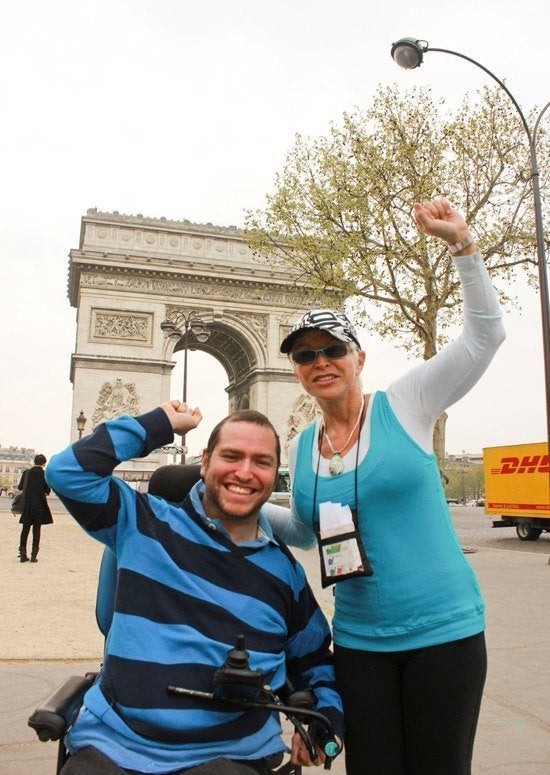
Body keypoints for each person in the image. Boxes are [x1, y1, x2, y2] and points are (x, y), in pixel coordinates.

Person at [270, 197, 506, 775]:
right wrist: (238, 503)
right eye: (305, 356)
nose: (320, 361)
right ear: (296, 370)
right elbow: (304, 531)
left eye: (333, 350)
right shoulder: (300, 447)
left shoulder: (406, 403)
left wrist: (462, 247)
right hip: (359, 642)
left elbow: (484, 337)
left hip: (443, 633)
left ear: (358, 357)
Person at [46, 403, 343, 774]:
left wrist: (326, 717)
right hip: (114, 745)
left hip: (229, 755)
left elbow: (316, 661)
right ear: (204, 463)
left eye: (261, 462)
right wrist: (159, 424)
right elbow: (66, 472)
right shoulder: (140, 521)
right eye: (231, 456)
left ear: (274, 475)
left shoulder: (286, 574)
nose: (245, 472)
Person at [18, 453, 53, 563]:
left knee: (25, 529)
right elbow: (48, 490)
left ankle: (23, 556)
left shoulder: (26, 473)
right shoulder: (44, 474)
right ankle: (33, 556)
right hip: (39, 506)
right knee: (36, 530)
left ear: (34, 462)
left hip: (27, 505)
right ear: (44, 464)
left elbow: (20, 487)